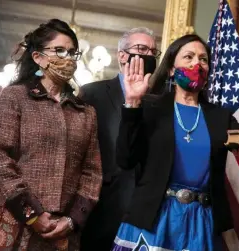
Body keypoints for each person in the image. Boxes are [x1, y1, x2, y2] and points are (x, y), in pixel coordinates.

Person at [111, 34, 239, 251]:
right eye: (189, 57)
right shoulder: (150, 107)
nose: (197, 63)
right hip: (154, 220)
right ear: (171, 69)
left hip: (200, 224)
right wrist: (132, 103)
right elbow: (125, 160)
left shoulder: (220, 117)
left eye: (203, 59)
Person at [0, 19, 102, 250]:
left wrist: (73, 220)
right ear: (38, 57)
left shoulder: (85, 112)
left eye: (72, 52)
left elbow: (92, 172)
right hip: (14, 221)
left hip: (62, 229)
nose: (68, 58)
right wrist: (31, 214)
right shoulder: (15, 97)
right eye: (59, 50)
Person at [80, 27, 160, 251]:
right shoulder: (91, 93)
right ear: (122, 55)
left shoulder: (159, 101)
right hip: (101, 204)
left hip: (144, 209)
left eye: (154, 51)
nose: (148, 55)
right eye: (141, 49)